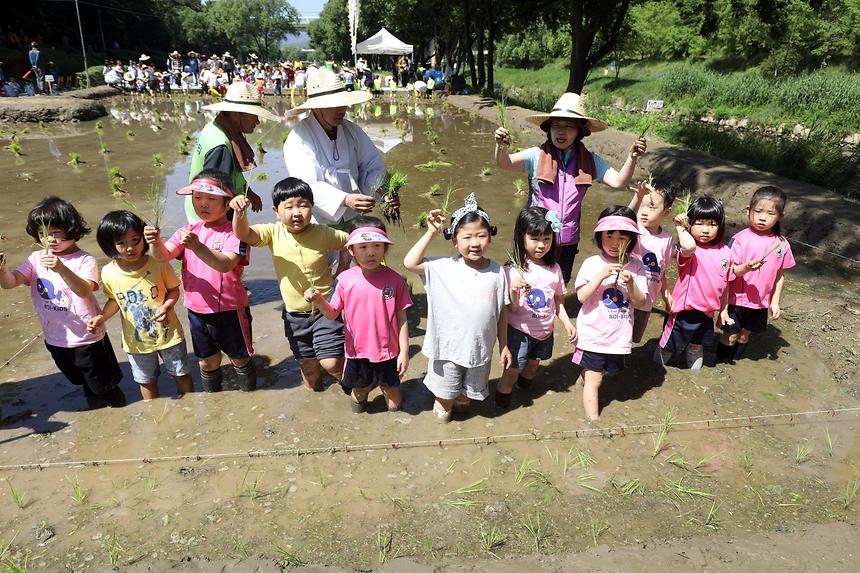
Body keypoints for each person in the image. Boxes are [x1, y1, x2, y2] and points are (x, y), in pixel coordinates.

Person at [494, 92, 647, 283]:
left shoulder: (589, 160)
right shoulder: (536, 155)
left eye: (569, 127)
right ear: (548, 129)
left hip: (568, 238)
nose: (561, 132)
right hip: (535, 234)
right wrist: (501, 145)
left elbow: (618, 182)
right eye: (556, 125)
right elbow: (505, 163)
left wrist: (632, 158)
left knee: (559, 281)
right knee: (526, 279)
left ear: (579, 131)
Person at [0, 197, 126, 407]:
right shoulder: (35, 259)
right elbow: (10, 283)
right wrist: (2, 270)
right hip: (56, 337)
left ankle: (119, 412)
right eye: (42, 234)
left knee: (104, 383)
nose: (49, 240)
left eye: (55, 233)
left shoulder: (85, 260)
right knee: (79, 379)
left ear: (71, 229)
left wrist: (61, 268)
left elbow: (84, 290)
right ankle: (97, 409)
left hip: (87, 336)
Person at [230, 177, 347, 392]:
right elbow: (243, 234)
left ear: (312, 207)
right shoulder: (273, 233)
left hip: (326, 309)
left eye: (303, 205)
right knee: (308, 366)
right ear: (276, 211)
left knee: (331, 363)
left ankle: (355, 387)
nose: (296, 212)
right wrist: (239, 212)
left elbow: (351, 242)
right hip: (295, 316)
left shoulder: (323, 233)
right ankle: (317, 404)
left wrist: (344, 270)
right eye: (289, 206)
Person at [144, 170, 256, 393]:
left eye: (211, 199)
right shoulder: (188, 230)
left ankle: (250, 395)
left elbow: (225, 264)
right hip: (196, 309)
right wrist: (155, 242)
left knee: (239, 358)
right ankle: (214, 400)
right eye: (197, 198)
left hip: (230, 309)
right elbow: (163, 256)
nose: (203, 204)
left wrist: (197, 247)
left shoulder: (236, 233)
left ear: (227, 202)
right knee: (206, 362)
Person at [403, 193, 512, 423]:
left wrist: (504, 345)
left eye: (481, 236)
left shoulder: (497, 271)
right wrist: (431, 232)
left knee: (465, 401)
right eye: (467, 237)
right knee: (445, 405)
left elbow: (501, 312)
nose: (474, 243)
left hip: (479, 351)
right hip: (448, 351)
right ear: (454, 240)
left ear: (490, 238)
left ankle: (461, 405)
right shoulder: (443, 267)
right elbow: (409, 263)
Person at [305, 222, 412, 413]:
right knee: (360, 391)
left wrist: (404, 351)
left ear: (385, 248)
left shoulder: (395, 280)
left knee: (393, 394)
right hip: (357, 353)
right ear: (351, 250)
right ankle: (359, 415)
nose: (370, 253)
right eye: (363, 247)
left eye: (377, 246)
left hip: (389, 352)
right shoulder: (345, 280)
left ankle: (394, 422)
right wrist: (319, 300)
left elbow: (401, 317)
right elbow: (332, 314)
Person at [88, 211, 193, 400]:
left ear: (144, 237)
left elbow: (174, 290)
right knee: (145, 380)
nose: (130, 248)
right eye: (121, 243)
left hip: (169, 335)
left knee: (181, 373)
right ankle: (153, 413)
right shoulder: (109, 273)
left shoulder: (158, 263)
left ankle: (191, 404)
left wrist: (167, 306)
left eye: (135, 240)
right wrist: (102, 317)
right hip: (136, 342)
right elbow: (115, 301)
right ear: (109, 245)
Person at [284, 67, 388, 227]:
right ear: (316, 107)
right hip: (318, 222)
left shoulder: (352, 130)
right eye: (333, 105)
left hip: (353, 218)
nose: (342, 110)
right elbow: (307, 184)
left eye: (343, 104)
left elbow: (372, 166)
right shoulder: (298, 138)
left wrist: (382, 191)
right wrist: (344, 200)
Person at [496, 207, 577, 409]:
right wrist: (514, 291)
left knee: (533, 366)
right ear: (521, 236)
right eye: (535, 238)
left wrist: (567, 322)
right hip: (519, 332)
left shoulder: (554, 269)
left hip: (544, 332)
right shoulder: (512, 270)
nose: (541, 245)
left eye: (547, 239)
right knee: (512, 371)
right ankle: (502, 408)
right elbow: (511, 309)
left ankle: (525, 392)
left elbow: (558, 300)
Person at [572, 206, 647, 421]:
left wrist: (631, 284)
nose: (615, 242)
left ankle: (583, 375)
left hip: (618, 336)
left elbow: (641, 302)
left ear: (631, 240)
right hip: (593, 334)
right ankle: (593, 423)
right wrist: (601, 275)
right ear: (599, 236)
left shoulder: (637, 267)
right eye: (609, 235)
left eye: (622, 237)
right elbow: (581, 297)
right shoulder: (591, 264)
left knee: (605, 372)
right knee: (595, 381)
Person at [718, 186, 795, 362]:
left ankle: (735, 363)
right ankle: (721, 365)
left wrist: (774, 303)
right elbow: (728, 272)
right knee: (730, 336)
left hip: (760, 303)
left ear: (780, 216)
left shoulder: (781, 245)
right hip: (735, 300)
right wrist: (745, 267)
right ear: (748, 211)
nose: (762, 217)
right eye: (758, 211)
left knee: (744, 336)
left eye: (770, 213)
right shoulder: (740, 239)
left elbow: (779, 276)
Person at [185, 81, 278, 222]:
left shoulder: (216, 126)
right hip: (209, 219)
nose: (257, 121)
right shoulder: (221, 147)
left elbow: (232, 174)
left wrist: (250, 193)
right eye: (254, 115)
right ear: (236, 114)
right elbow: (215, 193)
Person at [657, 196, 731, 369]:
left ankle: (695, 376)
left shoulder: (725, 251)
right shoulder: (687, 249)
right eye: (699, 223)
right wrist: (680, 227)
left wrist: (724, 311)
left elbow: (726, 283)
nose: (705, 230)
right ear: (691, 224)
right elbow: (689, 247)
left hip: (707, 313)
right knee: (668, 346)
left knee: (697, 347)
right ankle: (656, 371)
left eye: (712, 224)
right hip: (683, 311)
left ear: (720, 225)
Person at [628, 179, 676, 343]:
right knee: (616, 336)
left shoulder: (667, 238)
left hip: (647, 302)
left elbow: (661, 272)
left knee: (632, 339)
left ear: (666, 212)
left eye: (652, 207)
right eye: (642, 204)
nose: (644, 211)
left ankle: (621, 365)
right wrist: (638, 196)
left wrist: (666, 295)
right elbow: (624, 217)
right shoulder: (634, 228)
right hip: (626, 296)